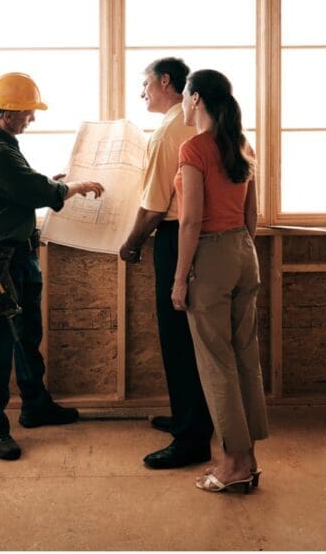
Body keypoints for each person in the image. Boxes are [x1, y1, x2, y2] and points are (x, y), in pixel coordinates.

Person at [0, 72, 105, 461]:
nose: (32, 118)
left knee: (27, 334)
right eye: (28, 111)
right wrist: (73, 187)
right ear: (8, 113)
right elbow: (36, 191)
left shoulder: (5, 146)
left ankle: (35, 405)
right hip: (0, 262)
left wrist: (47, 183)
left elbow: (23, 187)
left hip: (18, 256)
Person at [171, 69, 268, 494]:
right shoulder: (241, 144)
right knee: (245, 357)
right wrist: (241, 249)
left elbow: (190, 220)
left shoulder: (194, 148)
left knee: (216, 363)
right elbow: (251, 214)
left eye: (184, 97)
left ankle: (233, 465)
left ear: (195, 99)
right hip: (244, 252)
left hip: (211, 256)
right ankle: (248, 458)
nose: (182, 104)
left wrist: (180, 279)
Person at [119, 58, 213, 469]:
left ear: (165, 82)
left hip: (176, 237)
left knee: (177, 338)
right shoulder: (198, 123)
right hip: (209, 240)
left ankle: (191, 438)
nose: (142, 93)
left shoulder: (168, 133)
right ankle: (189, 419)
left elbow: (155, 207)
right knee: (193, 337)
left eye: (145, 85)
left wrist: (131, 243)